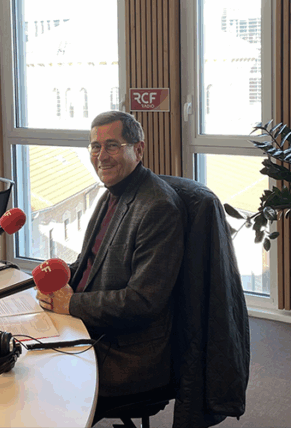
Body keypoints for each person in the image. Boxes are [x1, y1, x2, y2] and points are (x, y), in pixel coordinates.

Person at [36, 111, 185, 423]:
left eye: (112, 146)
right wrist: (56, 285)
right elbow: (90, 261)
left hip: (126, 353)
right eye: (95, 146)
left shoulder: (158, 207)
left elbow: (142, 302)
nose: (101, 156)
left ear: (138, 150)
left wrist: (71, 304)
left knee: (39, 386)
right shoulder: (113, 191)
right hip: (94, 326)